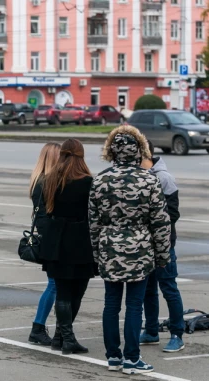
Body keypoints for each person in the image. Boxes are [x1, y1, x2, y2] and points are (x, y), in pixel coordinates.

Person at [89, 125, 171, 375]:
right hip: (140, 250)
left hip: (109, 248)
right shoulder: (149, 180)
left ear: (112, 152)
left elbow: (93, 222)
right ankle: (132, 359)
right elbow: (160, 222)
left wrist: (96, 253)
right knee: (135, 305)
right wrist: (163, 255)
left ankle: (113, 356)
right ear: (139, 152)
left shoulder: (100, 180)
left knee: (111, 304)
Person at [39, 139, 95, 355]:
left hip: (55, 240)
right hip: (80, 240)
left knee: (63, 292)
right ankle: (66, 338)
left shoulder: (51, 179)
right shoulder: (87, 181)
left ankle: (60, 337)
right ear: (81, 156)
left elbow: (46, 208)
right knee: (77, 292)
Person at [140, 140, 185, 352]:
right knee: (148, 290)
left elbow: (174, 213)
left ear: (145, 155)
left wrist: (151, 223)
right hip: (143, 244)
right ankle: (151, 331)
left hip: (164, 243)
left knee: (168, 287)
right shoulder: (138, 177)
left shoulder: (164, 178)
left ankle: (177, 334)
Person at [27, 142, 61, 346]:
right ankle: (38, 327)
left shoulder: (37, 180)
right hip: (52, 238)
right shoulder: (49, 182)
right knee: (55, 285)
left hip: (44, 235)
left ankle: (40, 327)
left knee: (54, 284)